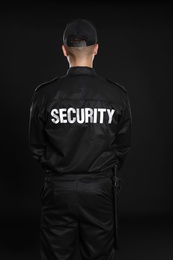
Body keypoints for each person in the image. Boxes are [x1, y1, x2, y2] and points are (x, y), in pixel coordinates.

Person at [28, 18, 132, 260]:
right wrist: (100, 174)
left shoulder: (44, 94)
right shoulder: (117, 94)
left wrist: (59, 171)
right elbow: (123, 146)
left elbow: (36, 146)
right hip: (99, 189)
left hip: (58, 188)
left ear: (64, 50)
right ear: (96, 48)